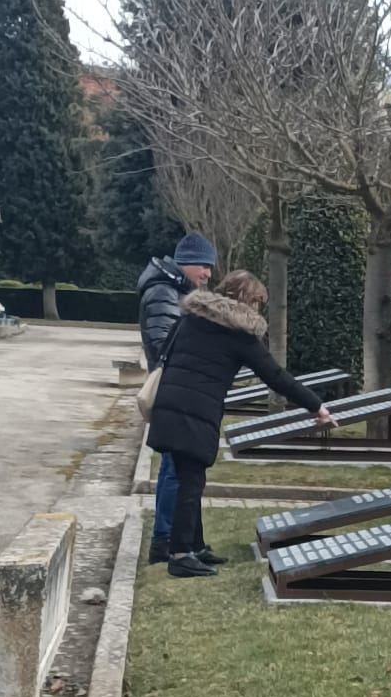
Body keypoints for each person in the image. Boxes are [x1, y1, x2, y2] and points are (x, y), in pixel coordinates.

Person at [146, 269, 335, 579]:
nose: (257, 309)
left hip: (170, 404)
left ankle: (194, 545)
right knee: (190, 483)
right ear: (247, 301)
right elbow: (275, 376)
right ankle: (180, 555)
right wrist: (316, 405)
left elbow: (165, 351)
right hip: (196, 409)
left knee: (188, 476)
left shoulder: (192, 318)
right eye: (257, 302)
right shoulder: (239, 333)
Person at [139, 234, 218, 565]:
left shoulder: (174, 290)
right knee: (175, 469)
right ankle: (166, 539)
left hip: (179, 389)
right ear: (185, 262)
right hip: (174, 390)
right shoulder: (162, 292)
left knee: (178, 469)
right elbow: (163, 344)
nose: (208, 274)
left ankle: (178, 539)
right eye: (204, 265)